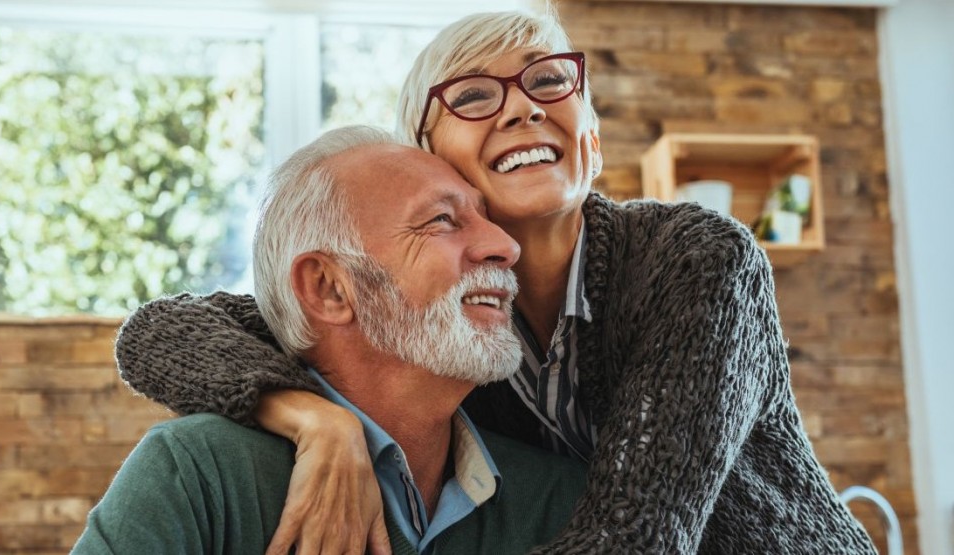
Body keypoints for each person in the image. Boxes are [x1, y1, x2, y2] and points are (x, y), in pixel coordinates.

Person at [113, 8, 876, 555]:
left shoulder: (697, 259)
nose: (520, 106)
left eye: (548, 82)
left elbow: (636, 538)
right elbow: (161, 331)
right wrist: (317, 419)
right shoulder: (445, 324)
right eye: (475, 96)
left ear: (592, 142)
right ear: (429, 156)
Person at [73, 126, 586, 554]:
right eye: (442, 221)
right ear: (329, 288)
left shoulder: (560, 499)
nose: (505, 245)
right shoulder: (199, 475)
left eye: (487, 219)